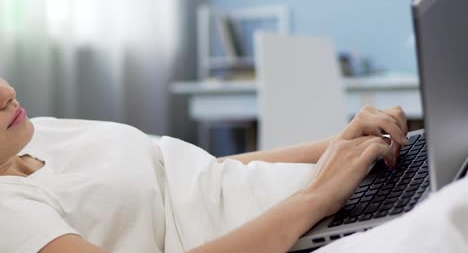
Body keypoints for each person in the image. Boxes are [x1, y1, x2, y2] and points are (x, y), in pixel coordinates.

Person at [0, 78, 409, 253]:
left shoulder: (36, 131)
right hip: (294, 228)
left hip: (311, 199)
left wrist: (335, 146)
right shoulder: (7, 213)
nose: (7, 92)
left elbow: (205, 171)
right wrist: (318, 196)